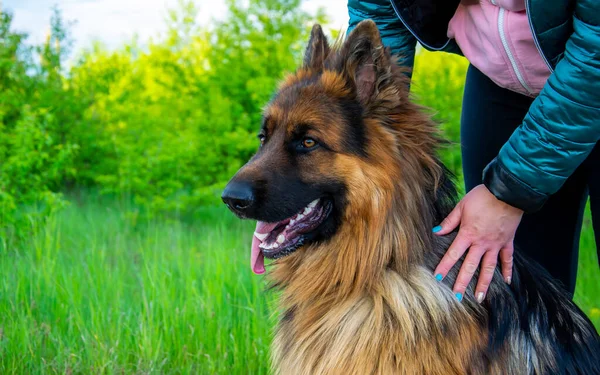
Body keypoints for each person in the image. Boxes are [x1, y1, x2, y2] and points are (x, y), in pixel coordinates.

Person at [347, 0, 600, 302]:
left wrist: (508, 192)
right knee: (516, 302)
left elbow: (594, 53)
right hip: (501, 82)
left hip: (591, 69)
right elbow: (378, 13)